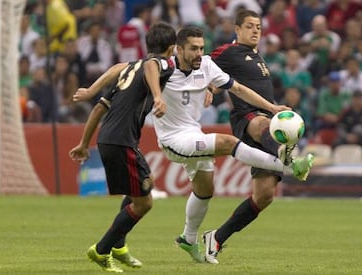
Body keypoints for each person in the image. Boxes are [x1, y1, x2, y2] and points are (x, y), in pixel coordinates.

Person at [73, 25, 314, 265]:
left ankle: (187, 239)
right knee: (228, 143)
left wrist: (271, 108)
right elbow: (127, 67)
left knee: (205, 189)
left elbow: (238, 88)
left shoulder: (207, 64)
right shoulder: (167, 67)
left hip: (193, 132)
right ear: (177, 49)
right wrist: (96, 90)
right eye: (193, 49)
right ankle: (290, 167)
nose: (199, 53)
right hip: (173, 139)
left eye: (201, 48)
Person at [204, 9, 312, 264]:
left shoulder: (256, 56)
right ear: (237, 29)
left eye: (259, 27)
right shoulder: (228, 52)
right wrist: (209, 86)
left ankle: (217, 238)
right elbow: (204, 64)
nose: (255, 31)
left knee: (264, 196)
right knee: (261, 122)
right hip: (247, 118)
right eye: (250, 26)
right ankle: (287, 156)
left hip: (267, 122)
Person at [68, 22, 177, 273]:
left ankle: (119, 247)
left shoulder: (130, 69)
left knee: (137, 188)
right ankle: (102, 249)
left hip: (109, 139)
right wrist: (159, 96)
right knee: (145, 203)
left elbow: (99, 106)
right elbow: (153, 64)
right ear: (171, 48)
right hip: (121, 141)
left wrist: (84, 142)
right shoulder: (163, 63)